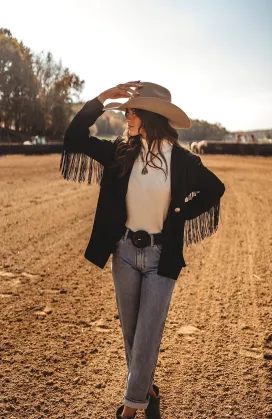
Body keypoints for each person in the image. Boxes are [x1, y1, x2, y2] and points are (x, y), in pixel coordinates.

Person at [60, 81, 226, 419]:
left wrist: (179, 216)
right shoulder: (121, 151)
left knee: (148, 332)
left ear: (151, 115)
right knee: (133, 333)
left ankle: (131, 409)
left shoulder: (181, 160)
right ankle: (147, 388)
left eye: (132, 112)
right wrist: (104, 97)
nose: (126, 117)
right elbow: (75, 136)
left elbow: (215, 188)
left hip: (159, 258)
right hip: (123, 253)